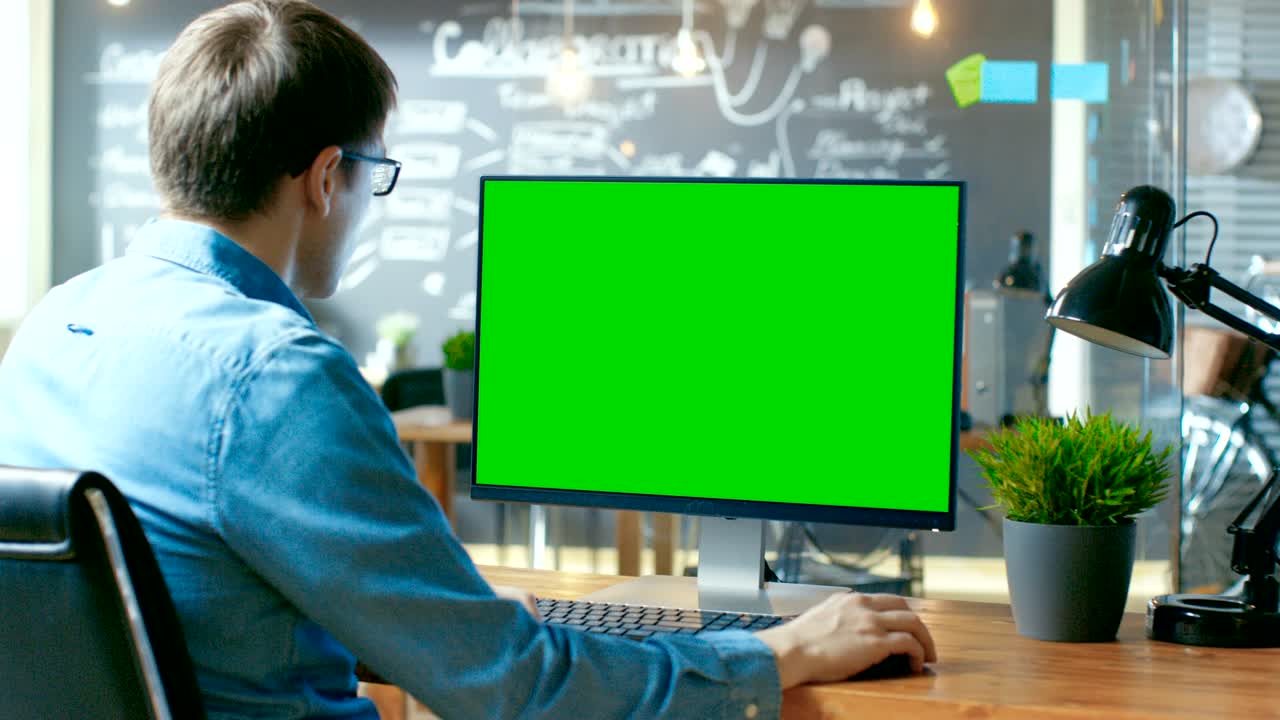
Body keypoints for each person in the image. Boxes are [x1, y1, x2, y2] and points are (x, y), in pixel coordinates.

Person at [0, 1, 936, 718]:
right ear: (327, 179)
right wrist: (778, 656)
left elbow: (192, 598)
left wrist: (445, 602)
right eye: (375, 174)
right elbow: (510, 688)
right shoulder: (275, 375)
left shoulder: (53, 326)